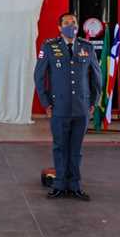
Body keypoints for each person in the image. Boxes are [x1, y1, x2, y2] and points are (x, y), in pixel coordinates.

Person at [34, 12, 101, 201]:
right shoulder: (49, 47)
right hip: (59, 107)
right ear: (59, 27)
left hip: (81, 107)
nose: (70, 26)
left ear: (78, 26)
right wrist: (46, 103)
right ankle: (60, 185)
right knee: (60, 147)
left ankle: (75, 185)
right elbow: (39, 77)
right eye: (66, 23)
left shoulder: (87, 48)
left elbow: (96, 78)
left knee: (76, 149)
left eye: (73, 23)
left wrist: (93, 102)